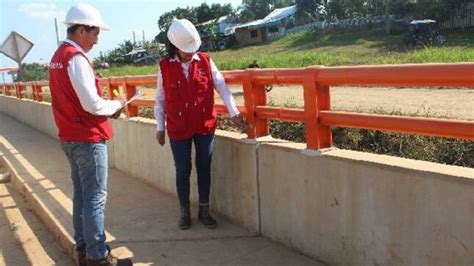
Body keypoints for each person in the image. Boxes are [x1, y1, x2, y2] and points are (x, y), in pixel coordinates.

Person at [48, 3, 131, 266]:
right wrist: (116, 106)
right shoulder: (76, 58)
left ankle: (84, 247)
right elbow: (92, 104)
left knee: (82, 195)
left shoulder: (58, 57)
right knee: (94, 198)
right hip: (87, 137)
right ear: (81, 30)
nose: (96, 40)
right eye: (94, 33)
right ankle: (97, 256)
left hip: (69, 135)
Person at [154, 18, 248, 230]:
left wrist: (234, 112)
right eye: (185, 50)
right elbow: (160, 99)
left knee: (204, 166)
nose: (189, 53)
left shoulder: (206, 61)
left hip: (204, 124)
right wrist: (160, 127)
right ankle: (185, 211)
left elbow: (222, 88)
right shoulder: (164, 67)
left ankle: (204, 210)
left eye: (192, 49)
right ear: (174, 47)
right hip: (178, 127)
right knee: (183, 169)